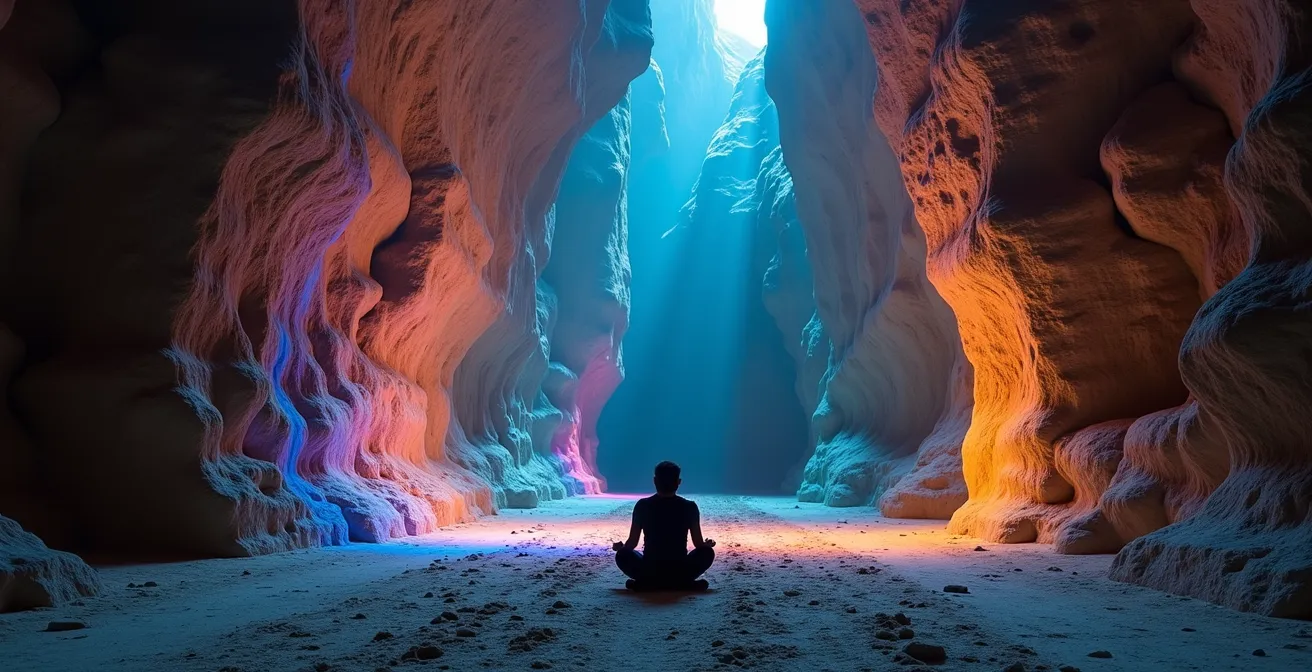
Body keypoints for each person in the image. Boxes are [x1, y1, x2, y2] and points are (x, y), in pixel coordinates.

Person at [611, 461, 716, 591]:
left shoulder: (643, 506)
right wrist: (707, 545)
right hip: (680, 569)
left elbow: (631, 543)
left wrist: (621, 548)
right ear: (678, 482)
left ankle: (647, 583)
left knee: (622, 555)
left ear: (655, 481)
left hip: (650, 568)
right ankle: (683, 583)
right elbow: (699, 544)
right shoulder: (690, 507)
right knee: (707, 553)